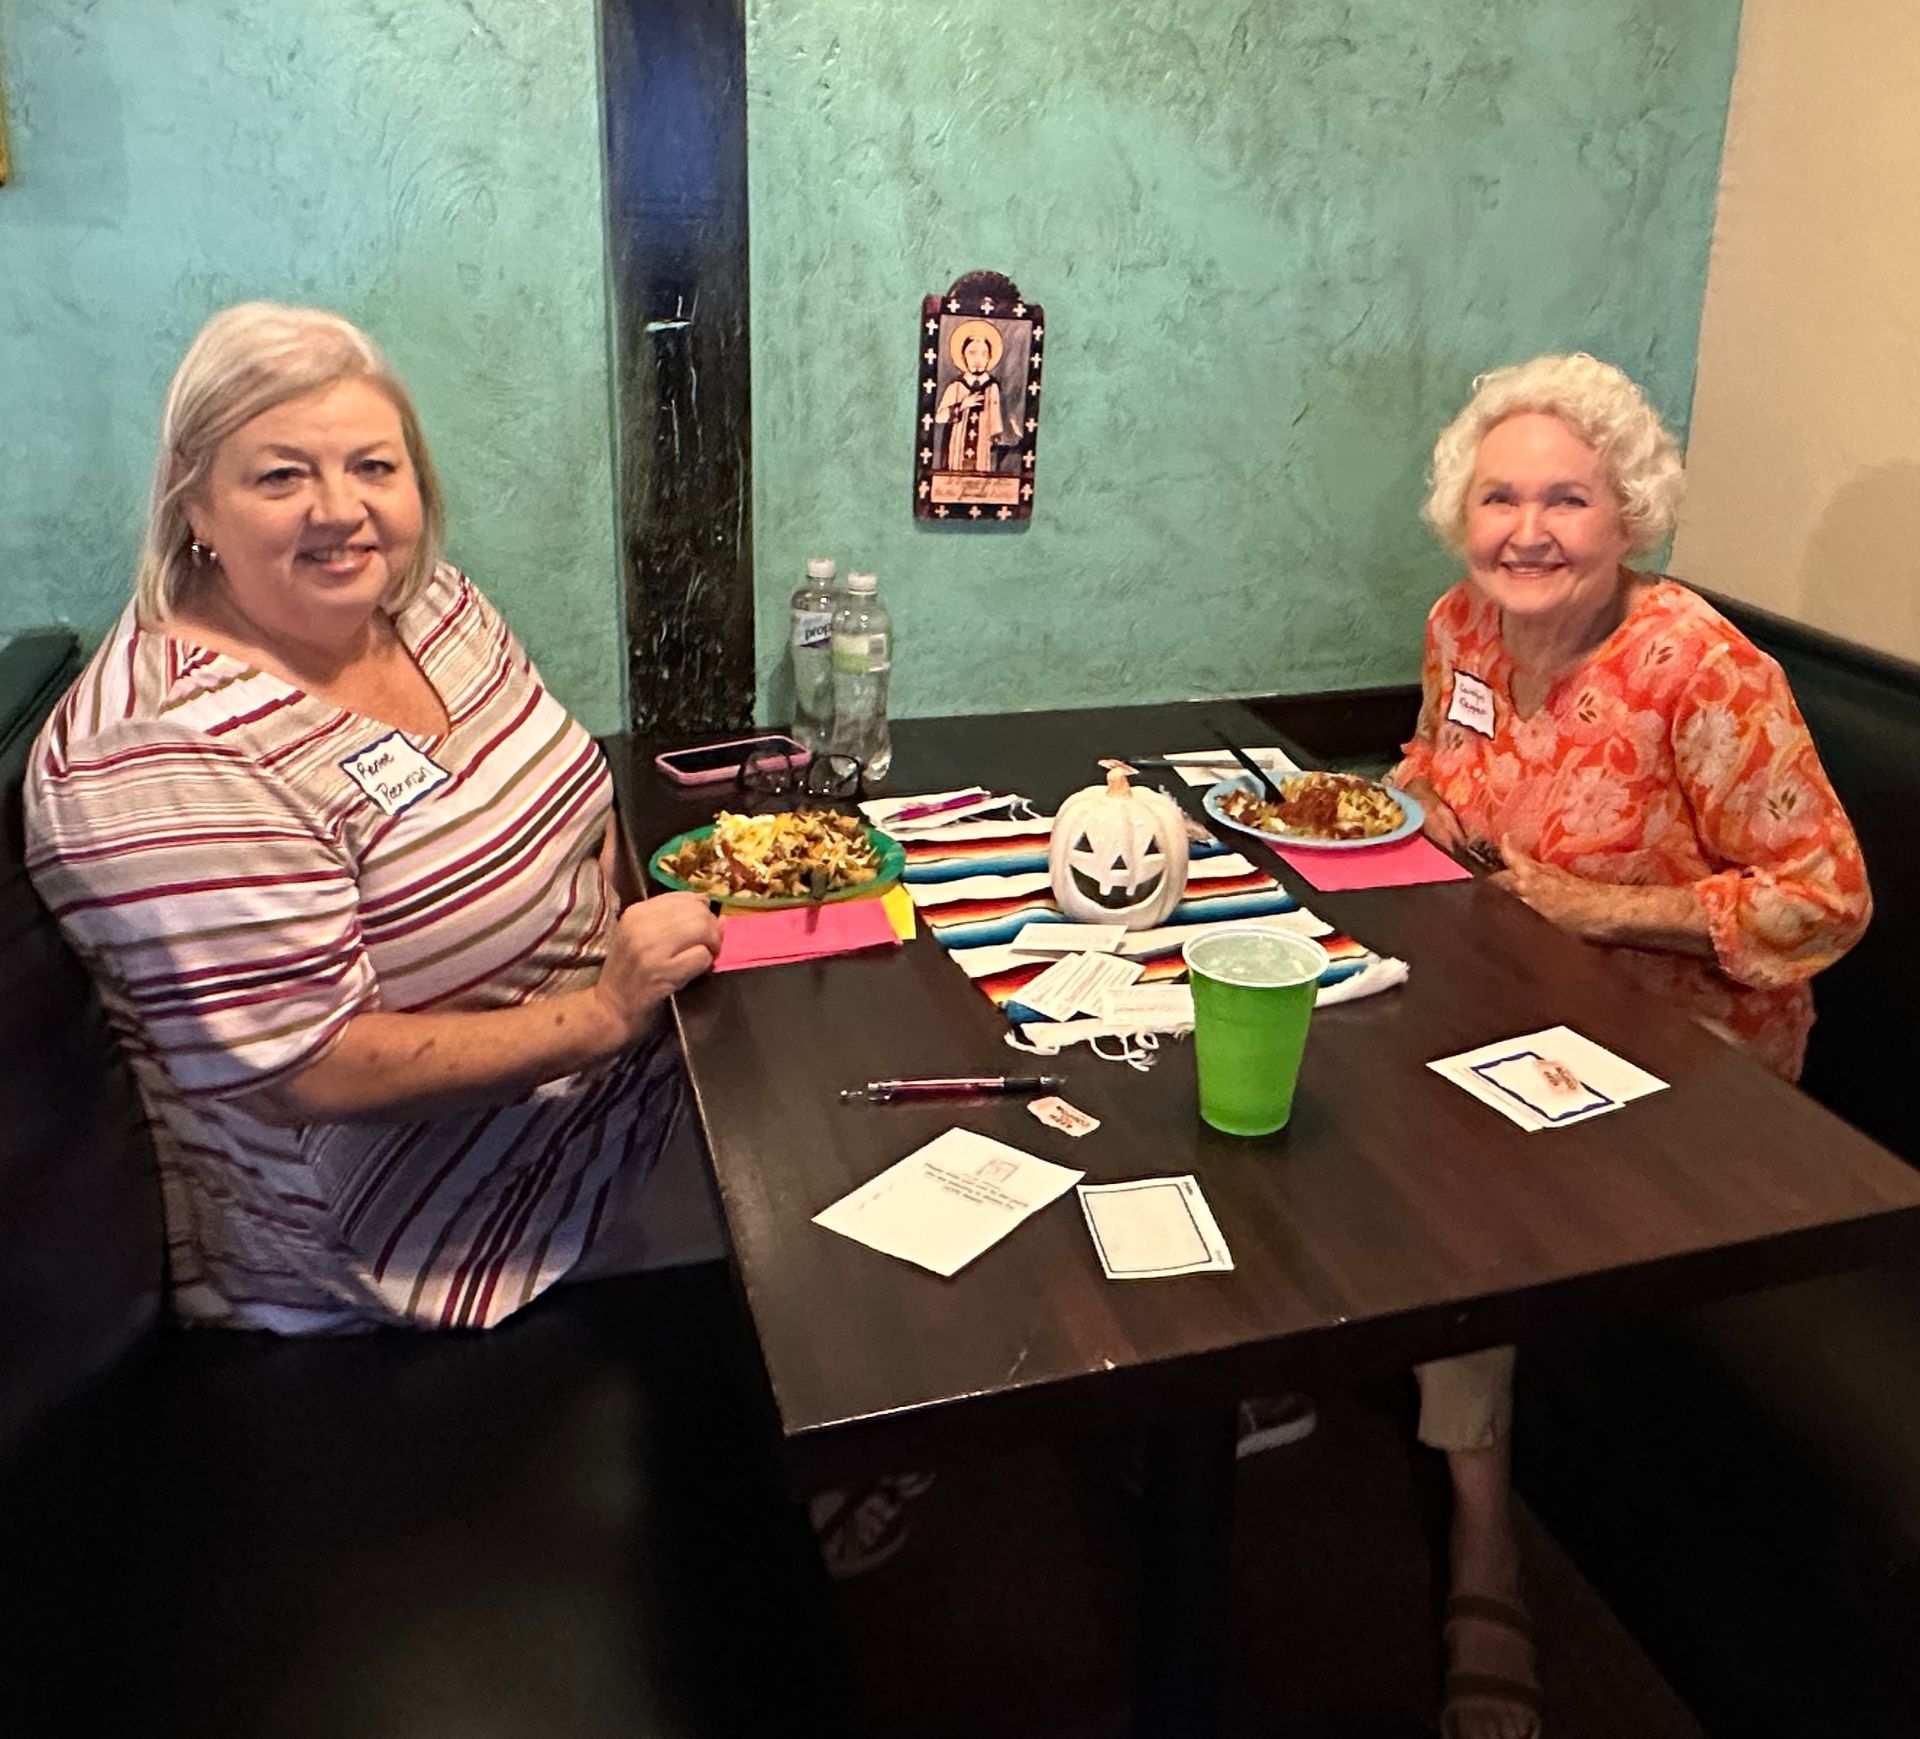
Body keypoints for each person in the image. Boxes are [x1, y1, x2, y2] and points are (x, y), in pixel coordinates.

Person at [25, 303, 723, 1333]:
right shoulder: (160, 751)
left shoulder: (424, 605)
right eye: (280, 475)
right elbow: (310, 1065)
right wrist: (605, 1014)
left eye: (373, 467)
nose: (339, 510)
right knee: (838, 1249)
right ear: (194, 508)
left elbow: (566, 796)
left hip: (604, 1106)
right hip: (435, 1246)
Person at [1391, 352, 1870, 1739]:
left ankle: (1483, 1546)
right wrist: (1366, 820)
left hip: (1688, 1057)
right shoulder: (1463, 629)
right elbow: (1434, 770)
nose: (1526, 530)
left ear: (1629, 516)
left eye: (1567, 499)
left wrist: (1602, 905)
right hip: (1506, 999)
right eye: (1499, 497)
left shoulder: (1699, 670)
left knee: (1448, 1177)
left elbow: (1829, 896)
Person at [933, 320, 1018, 473]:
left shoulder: (992, 387)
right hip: (958, 445)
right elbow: (939, 417)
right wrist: (962, 405)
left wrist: (996, 436)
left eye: (983, 353)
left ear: (989, 357)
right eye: (972, 352)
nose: (978, 359)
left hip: (983, 446)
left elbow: (996, 417)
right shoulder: (957, 386)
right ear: (963, 355)